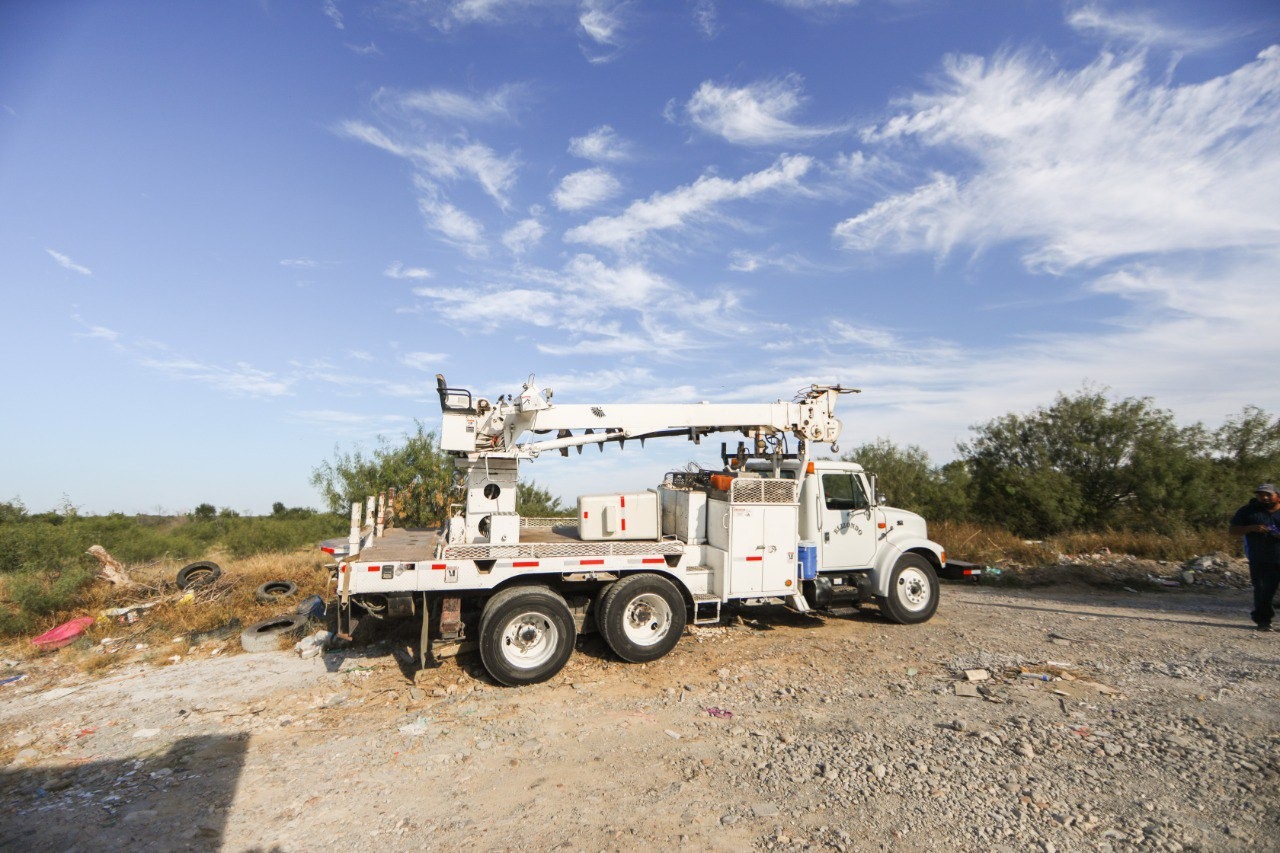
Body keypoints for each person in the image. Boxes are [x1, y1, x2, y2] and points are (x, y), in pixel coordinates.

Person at [1229, 484, 1280, 632]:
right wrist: (1251, 528)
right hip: (1261, 559)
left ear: (1278, 496)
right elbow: (1233, 530)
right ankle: (1263, 621)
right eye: (1261, 495)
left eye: (1268, 495)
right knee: (1263, 591)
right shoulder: (1248, 511)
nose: (1264, 497)